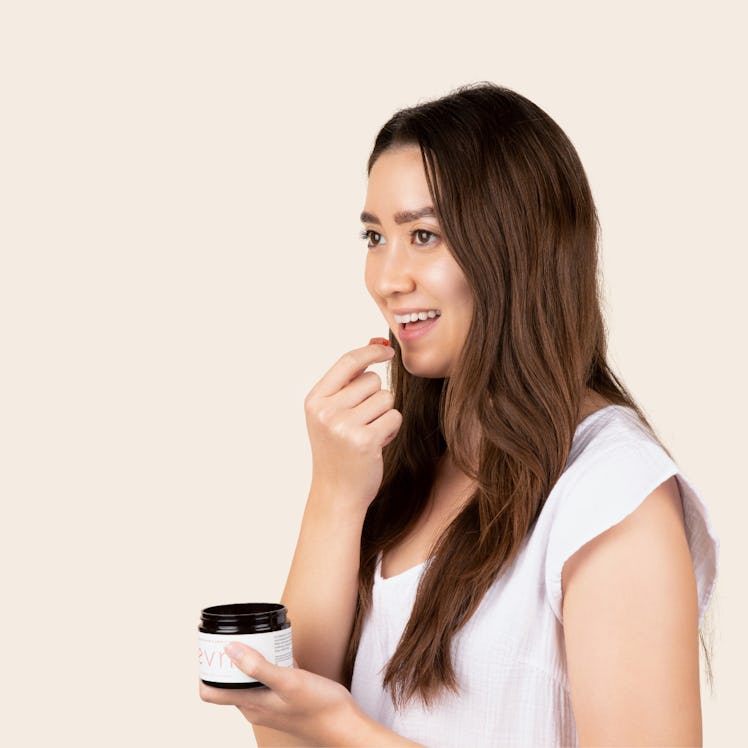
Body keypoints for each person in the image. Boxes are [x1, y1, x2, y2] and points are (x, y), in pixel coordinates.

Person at [200, 82, 720, 746]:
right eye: (374, 236)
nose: (387, 278)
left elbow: (322, 729)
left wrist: (344, 730)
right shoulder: (401, 464)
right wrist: (333, 494)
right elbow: (284, 737)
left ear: (517, 249)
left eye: (423, 235)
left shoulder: (611, 494)